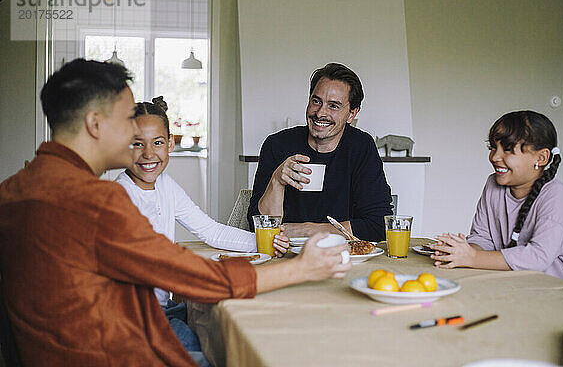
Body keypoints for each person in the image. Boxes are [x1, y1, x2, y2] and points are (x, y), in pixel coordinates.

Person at [0, 58, 352, 366]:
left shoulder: (14, 189)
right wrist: (301, 268)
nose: (134, 135)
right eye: (127, 121)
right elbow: (194, 277)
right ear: (95, 124)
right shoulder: (95, 201)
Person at [115, 96, 289, 352]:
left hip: (161, 307)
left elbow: (211, 230)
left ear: (170, 144)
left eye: (158, 143)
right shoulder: (120, 195)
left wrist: (263, 242)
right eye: (136, 144)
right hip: (134, 317)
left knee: (219, 327)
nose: (148, 154)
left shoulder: (165, 186)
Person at [430, 110, 563, 286]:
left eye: (507, 149)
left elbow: (537, 257)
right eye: (492, 147)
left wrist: (473, 257)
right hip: (517, 286)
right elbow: (482, 238)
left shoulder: (555, 195)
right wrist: (462, 252)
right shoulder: (493, 184)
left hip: (562, 294)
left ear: (541, 158)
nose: (494, 157)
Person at [247, 63, 392, 241]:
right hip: (284, 256)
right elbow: (257, 226)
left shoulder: (361, 146)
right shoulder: (277, 145)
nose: (321, 113)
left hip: (342, 257)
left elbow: (379, 225)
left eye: (334, 106)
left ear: (351, 114)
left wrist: (307, 230)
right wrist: (277, 181)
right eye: (316, 101)